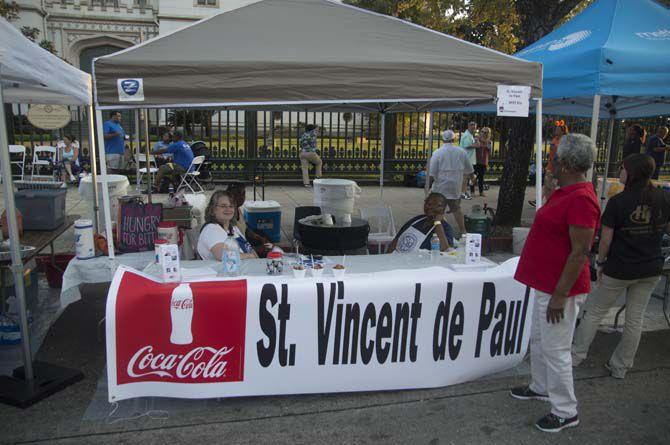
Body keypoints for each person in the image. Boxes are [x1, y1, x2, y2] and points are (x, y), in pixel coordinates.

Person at [511, 134, 600, 433]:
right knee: (539, 339)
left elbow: (580, 252)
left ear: (563, 163)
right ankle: (540, 386)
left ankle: (565, 410)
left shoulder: (581, 199)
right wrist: (550, 191)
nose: (550, 161)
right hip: (546, 283)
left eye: (553, 156)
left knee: (556, 349)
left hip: (561, 289)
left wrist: (560, 296)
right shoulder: (566, 191)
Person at [572, 154, 670, 378]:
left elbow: (605, 240)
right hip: (650, 267)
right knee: (635, 319)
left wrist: (601, 262)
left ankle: (576, 355)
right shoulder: (663, 198)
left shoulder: (618, 202)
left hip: (620, 267)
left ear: (632, 173)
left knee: (595, 312)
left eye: (623, 168)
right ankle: (620, 367)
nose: (620, 172)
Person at [429, 130, 474, 237]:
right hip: (455, 187)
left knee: (439, 211)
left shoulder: (437, 152)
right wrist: (473, 180)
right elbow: (470, 169)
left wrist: (429, 186)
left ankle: (438, 233)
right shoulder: (461, 152)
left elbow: (432, 172)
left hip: (440, 187)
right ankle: (463, 231)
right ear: (454, 139)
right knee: (456, 209)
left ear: (442, 140)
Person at [197, 190, 258, 261]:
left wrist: (255, 257)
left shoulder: (233, 229)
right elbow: (224, 256)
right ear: (213, 209)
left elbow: (248, 249)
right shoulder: (211, 229)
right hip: (225, 271)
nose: (228, 209)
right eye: (223, 206)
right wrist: (251, 256)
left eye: (231, 206)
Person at [387, 193, 454, 253]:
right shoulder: (416, 220)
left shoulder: (446, 228)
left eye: (436, 205)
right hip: (395, 260)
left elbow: (445, 250)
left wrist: (437, 223)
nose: (431, 207)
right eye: (428, 204)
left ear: (443, 209)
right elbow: (396, 240)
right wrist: (388, 257)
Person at [226, 181, 274, 257]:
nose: (242, 197)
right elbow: (236, 244)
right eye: (238, 193)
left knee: (265, 237)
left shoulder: (238, 209)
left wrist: (259, 237)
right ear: (230, 196)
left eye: (243, 193)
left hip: (246, 241)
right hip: (241, 248)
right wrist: (257, 249)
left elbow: (246, 229)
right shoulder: (228, 216)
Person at [531, 122, 569, 207]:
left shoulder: (564, 140)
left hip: (557, 168)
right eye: (556, 129)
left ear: (562, 132)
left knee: (550, 185)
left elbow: (562, 153)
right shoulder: (555, 139)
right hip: (550, 165)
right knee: (547, 184)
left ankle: (550, 202)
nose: (556, 130)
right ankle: (539, 200)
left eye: (558, 129)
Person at [459, 122, 478, 199]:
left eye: (475, 128)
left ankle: (465, 191)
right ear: (469, 126)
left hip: (469, 159)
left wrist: (476, 142)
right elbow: (467, 145)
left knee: (467, 176)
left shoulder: (469, 135)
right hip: (466, 159)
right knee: (465, 176)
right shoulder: (467, 135)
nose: (474, 129)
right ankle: (463, 193)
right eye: (472, 128)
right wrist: (476, 143)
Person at [474, 127, 492, 197]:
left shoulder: (489, 142)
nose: (483, 133)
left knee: (481, 177)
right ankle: (472, 191)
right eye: (482, 131)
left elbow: (489, 153)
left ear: (488, 134)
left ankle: (481, 192)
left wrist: (487, 146)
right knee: (474, 176)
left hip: (484, 161)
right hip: (476, 160)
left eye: (485, 132)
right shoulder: (476, 139)